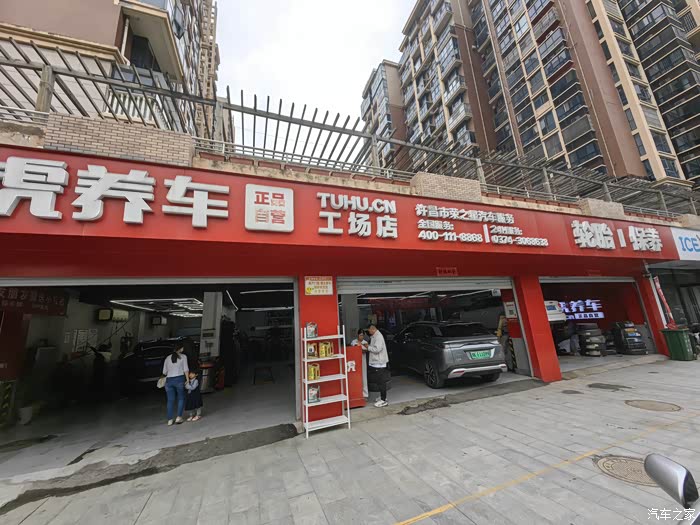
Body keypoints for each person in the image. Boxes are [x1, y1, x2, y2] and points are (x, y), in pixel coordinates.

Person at [161, 345, 189, 425]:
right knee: (181, 398)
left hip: (169, 381)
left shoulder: (167, 358)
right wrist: (187, 379)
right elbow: (186, 369)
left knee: (170, 400)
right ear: (181, 348)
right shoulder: (183, 357)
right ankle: (178, 417)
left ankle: (170, 420)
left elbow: (164, 372)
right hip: (179, 379)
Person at [365, 325, 390, 407]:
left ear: (373, 329)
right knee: (379, 381)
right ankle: (382, 397)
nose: (368, 332)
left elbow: (377, 349)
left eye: (369, 330)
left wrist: (368, 347)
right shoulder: (374, 336)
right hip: (377, 362)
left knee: (381, 381)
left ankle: (383, 400)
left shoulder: (378, 337)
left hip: (379, 363)